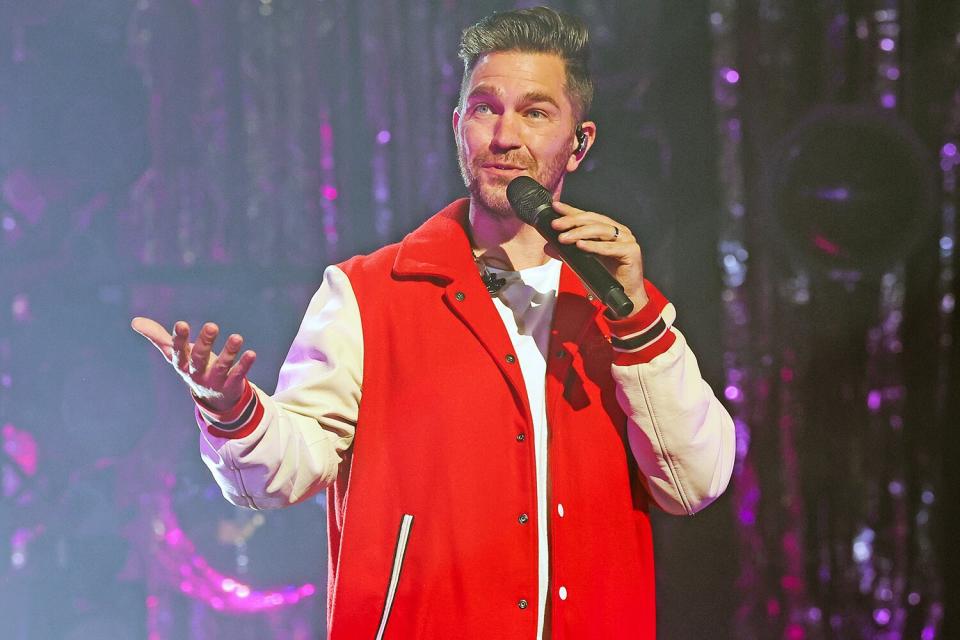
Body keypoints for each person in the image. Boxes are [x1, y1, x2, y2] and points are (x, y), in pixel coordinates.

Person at [133, 7, 735, 639]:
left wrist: (634, 316)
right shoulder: (368, 293)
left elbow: (694, 483)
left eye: (535, 112)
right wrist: (230, 408)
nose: (505, 136)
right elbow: (284, 472)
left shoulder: (620, 306)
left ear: (578, 143)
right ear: (458, 127)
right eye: (484, 109)